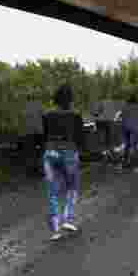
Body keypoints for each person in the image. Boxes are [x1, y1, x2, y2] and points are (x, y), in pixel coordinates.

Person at [42, 84, 84, 241]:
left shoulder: (47, 115)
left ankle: (55, 228)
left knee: (53, 191)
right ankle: (68, 219)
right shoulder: (75, 115)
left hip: (50, 153)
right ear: (70, 99)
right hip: (68, 153)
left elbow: (45, 135)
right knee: (72, 187)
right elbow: (80, 138)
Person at [120, 93, 138, 166]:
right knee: (133, 144)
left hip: (126, 126)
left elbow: (122, 116)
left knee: (127, 144)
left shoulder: (125, 106)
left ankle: (125, 158)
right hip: (135, 127)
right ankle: (129, 160)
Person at [23, 97, 45, 175]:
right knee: (39, 151)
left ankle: (31, 169)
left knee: (31, 152)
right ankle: (38, 169)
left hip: (29, 132)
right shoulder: (39, 104)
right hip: (38, 132)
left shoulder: (25, 105)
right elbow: (43, 117)